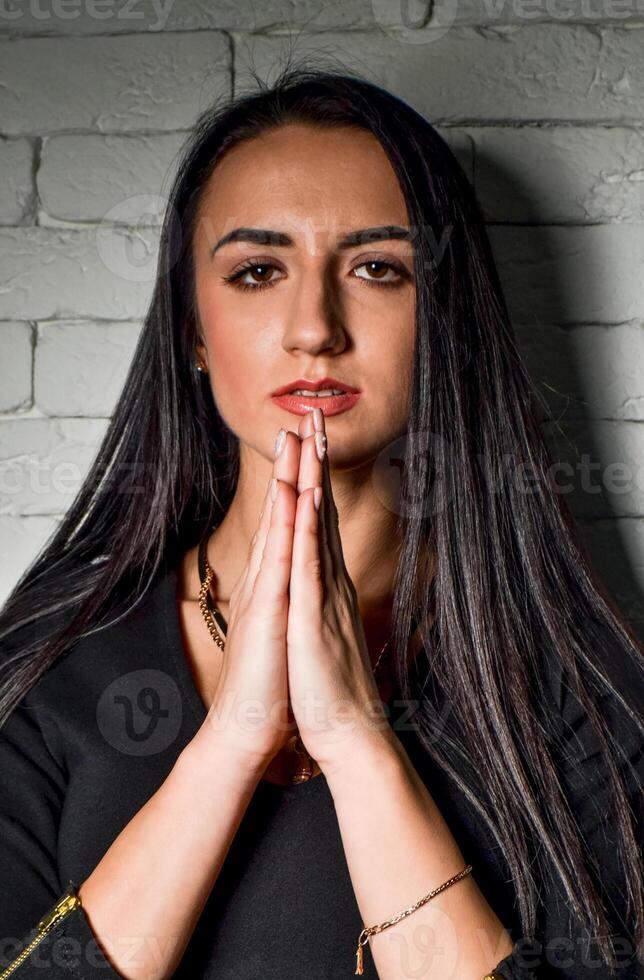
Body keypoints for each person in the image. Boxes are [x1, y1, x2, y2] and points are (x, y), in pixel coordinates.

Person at [0, 61, 642, 980]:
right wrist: (231, 743)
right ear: (191, 323)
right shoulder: (50, 660)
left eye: (379, 269)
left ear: (444, 315)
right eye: (258, 271)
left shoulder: (581, 692)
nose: (315, 327)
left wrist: (355, 741)